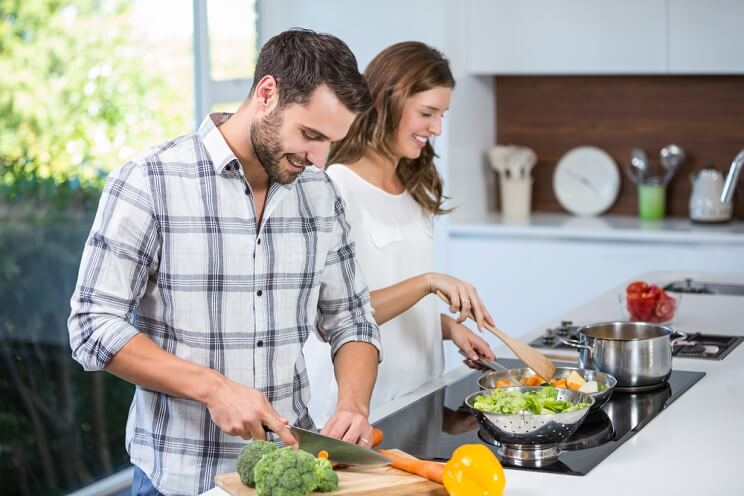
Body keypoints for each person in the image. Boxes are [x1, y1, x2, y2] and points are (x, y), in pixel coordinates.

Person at [67, 29, 382, 496]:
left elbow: (352, 318)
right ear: (267, 93)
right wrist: (213, 388)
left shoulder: (320, 193)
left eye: (330, 142)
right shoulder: (150, 181)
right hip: (178, 478)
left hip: (291, 472)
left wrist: (354, 404)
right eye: (311, 135)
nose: (319, 159)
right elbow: (92, 325)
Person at [304, 42, 496, 427]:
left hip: (421, 395)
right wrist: (428, 282)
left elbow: (394, 293)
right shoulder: (334, 187)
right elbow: (331, 316)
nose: (437, 128)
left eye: (442, 114)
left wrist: (445, 327)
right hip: (361, 411)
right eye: (427, 113)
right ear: (387, 102)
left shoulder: (412, 184)